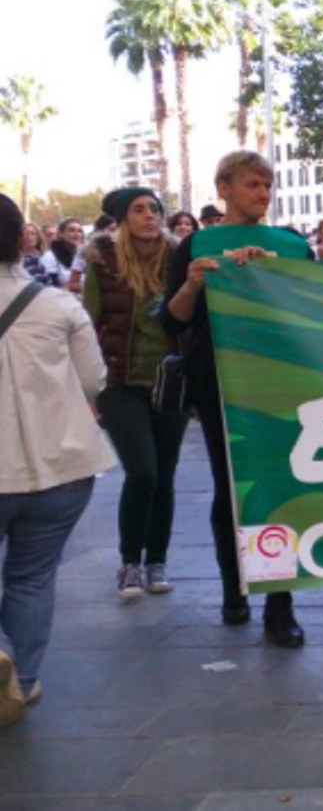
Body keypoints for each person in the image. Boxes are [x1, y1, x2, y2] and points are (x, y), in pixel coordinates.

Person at [160, 151, 314, 647]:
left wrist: (274, 276)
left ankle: (279, 601)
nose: (262, 194)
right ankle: (235, 589)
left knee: (277, 490)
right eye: (253, 184)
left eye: (268, 185)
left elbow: (319, 306)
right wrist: (194, 284)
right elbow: (171, 320)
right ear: (223, 188)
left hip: (283, 383)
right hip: (218, 381)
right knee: (230, 489)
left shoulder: (291, 245)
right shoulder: (195, 244)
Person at [0, 192, 116, 726]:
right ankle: (20, 680)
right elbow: (94, 380)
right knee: (31, 577)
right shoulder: (59, 306)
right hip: (62, 467)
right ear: (23, 239)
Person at [82, 188, 189, 601]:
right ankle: (130, 563)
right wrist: (89, 389)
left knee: (164, 475)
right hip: (120, 384)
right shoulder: (103, 263)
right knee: (142, 472)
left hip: (170, 382)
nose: (150, 216)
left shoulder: (179, 259)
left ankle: (156, 560)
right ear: (122, 220)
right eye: (139, 210)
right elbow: (87, 323)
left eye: (155, 209)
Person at [39, 217, 83, 290]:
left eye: (79, 231)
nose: (76, 234)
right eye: (71, 230)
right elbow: (49, 289)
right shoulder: (50, 257)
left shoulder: (84, 255)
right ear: (61, 234)